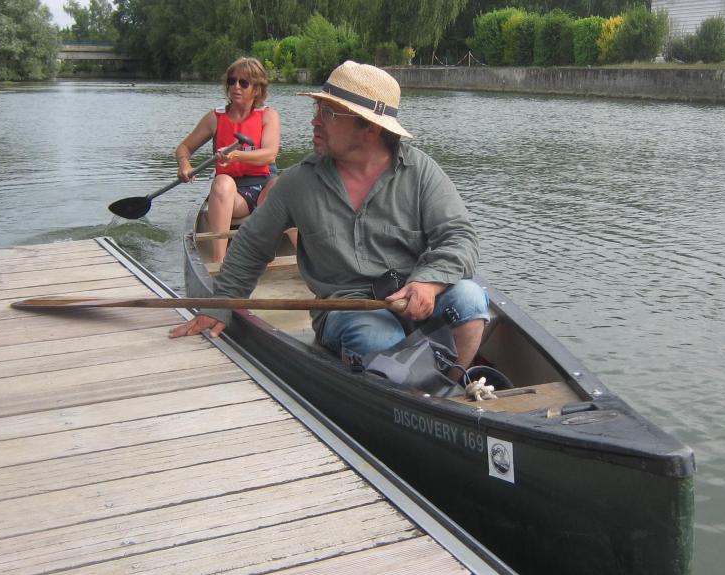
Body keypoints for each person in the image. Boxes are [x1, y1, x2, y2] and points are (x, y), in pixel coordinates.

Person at [169, 61, 487, 373]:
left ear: (370, 128)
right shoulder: (298, 183)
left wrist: (428, 284)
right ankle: (403, 390)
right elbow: (252, 246)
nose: (315, 122)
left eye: (329, 114)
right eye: (317, 110)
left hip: (416, 293)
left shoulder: (420, 172)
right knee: (379, 336)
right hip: (347, 308)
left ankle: (450, 387)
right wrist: (218, 307)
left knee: (471, 299)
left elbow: (459, 237)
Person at [175, 57, 281, 264]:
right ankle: (219, 262)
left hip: (265, 191)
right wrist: (185, 165)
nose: (236, 87)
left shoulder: (268, 116)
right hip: (234, 197)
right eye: (232, 81)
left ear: (257, 89)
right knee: (222, 182)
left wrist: (236, 155)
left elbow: (269, 155)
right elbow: (183, 148)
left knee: (285, 186)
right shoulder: (215, 118)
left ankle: (308, 267)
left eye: (244, 83)